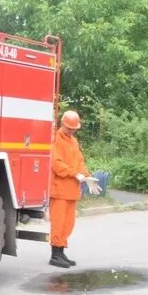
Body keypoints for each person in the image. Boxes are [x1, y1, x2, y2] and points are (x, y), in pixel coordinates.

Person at [48, 110, 100, 268]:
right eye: (69, 128)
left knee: (68, 223)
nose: (71, 131)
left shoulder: (73, 142)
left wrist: (86, 175)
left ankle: (61, 252)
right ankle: (55, 255)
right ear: (62, 124)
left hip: (71, 191)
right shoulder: (56, 140)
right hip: (59, 191)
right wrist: (74, 173)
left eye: (73, 129)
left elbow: (79, 161)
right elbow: (56, 164)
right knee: (58, 223)